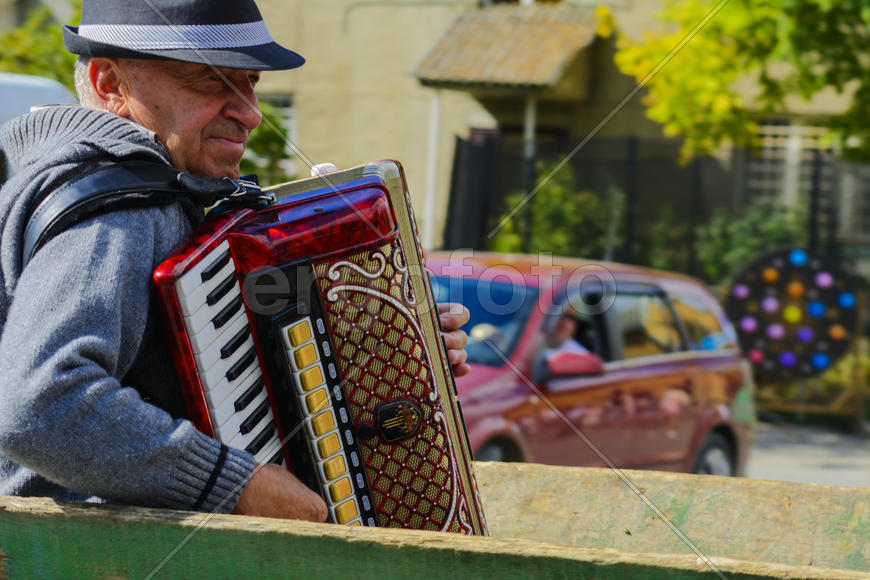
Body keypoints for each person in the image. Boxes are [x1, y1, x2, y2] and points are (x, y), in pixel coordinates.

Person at [0, 0, 470, 522]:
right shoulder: (122, 209)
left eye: (250, 83)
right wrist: (237, 484)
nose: (250, 113)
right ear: (110, 83)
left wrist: (390, 344)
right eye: (212, 80)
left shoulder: (133, 192)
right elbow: (40, 403)